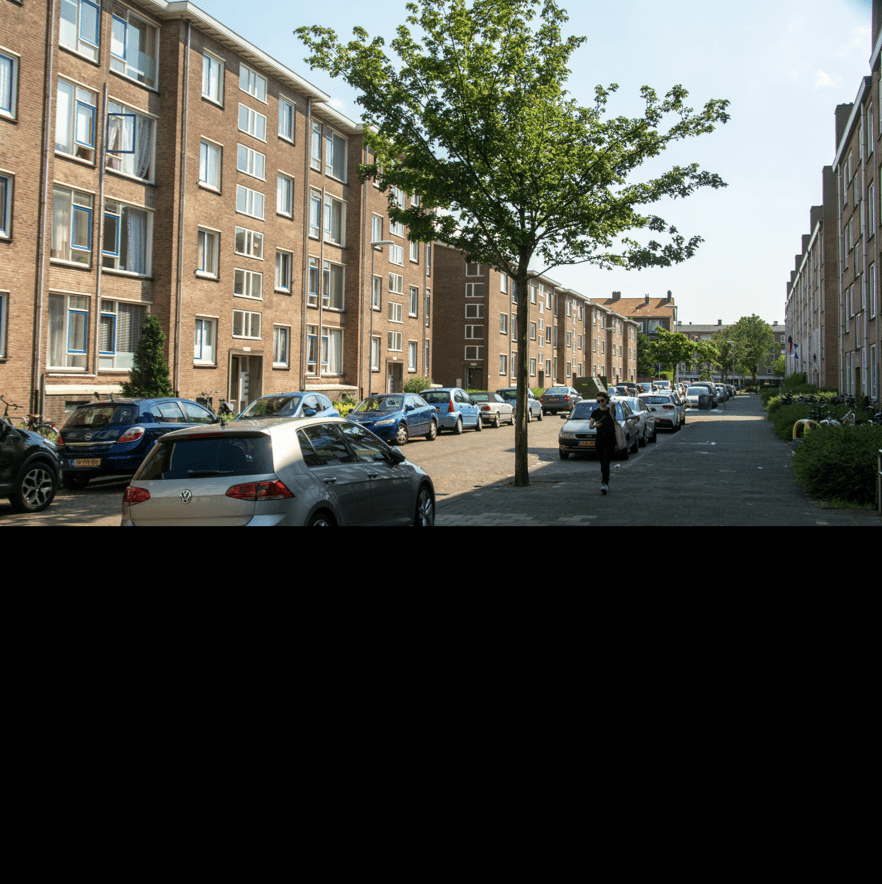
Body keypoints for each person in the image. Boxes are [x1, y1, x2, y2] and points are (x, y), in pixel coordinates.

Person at [589, 392, 616, 495]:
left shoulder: (610, 411)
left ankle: (605, 483)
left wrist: (612, 406)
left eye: (602, 400)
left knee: (606, 461)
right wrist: (596, 425)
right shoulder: (595, 412)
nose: (600, 403)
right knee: (602, 462)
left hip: (610, 439)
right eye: (598, 401)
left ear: (606, 400)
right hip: (600, 439)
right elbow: (590, 426)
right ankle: (605, 482)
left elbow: (614, 415)